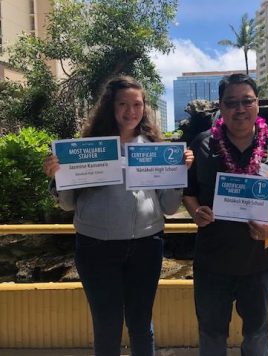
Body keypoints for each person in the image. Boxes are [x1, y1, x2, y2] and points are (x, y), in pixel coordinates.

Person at [43, 75, 194, 356]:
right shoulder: (87, 148)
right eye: (123, 104)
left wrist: (178, 173)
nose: (131, 111)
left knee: (141, 323)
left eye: (137, 104)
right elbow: (67, 206)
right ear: (110, 106)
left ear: (144, 107)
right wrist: (57, 175)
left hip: (147, 245)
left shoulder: (157, 149)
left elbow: (170, 208)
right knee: (107, 325)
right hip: (95, 246)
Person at [183, 73, 268, 356]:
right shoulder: (203, 143)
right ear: (220, 107)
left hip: (258, 261)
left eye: (247, 101)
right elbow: (188, 191)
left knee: (257, 335)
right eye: (231, 102)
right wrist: (196, 211)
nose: (240, 109)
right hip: (212, 262)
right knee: (211, 335)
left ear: (258, 104)